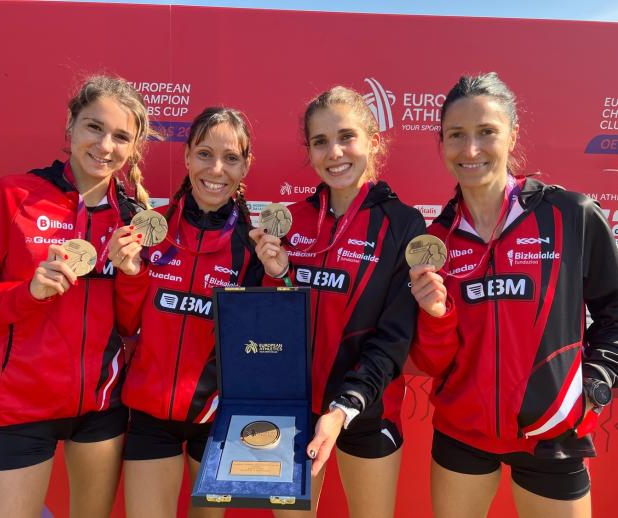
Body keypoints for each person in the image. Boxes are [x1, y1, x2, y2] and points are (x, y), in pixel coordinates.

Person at [408, 72, 618, 518]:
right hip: (462, 437)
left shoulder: (571, 215)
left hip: (554, 436)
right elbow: (431, 363)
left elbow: (615, 309)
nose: (471, 150)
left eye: (487, 132)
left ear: (513, 135)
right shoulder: (436, 241)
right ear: (441, 142)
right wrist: (435, 315)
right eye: (456, 135)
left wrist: (596, 382)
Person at [0, 75, 152, 517]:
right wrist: (29, 292)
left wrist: (132, 275)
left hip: (102, 407)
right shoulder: (14, 195)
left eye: (121, 136)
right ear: (70, 127)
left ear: (133, 148)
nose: (105, 146)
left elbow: (131, 325)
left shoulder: (135, 218)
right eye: (94, 127)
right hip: (23, 406)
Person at [249, 86, 425, 518]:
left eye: (347, 137)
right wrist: (275, 276)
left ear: (373, 141)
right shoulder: (290, 219)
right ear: (308, 151)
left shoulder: (403, 224)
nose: (335, 152)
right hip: (292, 412)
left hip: (367, 409)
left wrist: (344, 406)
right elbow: (272, 323)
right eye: (320, 141)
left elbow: (394, 338)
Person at [109, 107, 263, 518]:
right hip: (149, 417)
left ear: (246, 166)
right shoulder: (150, 231)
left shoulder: (255, 248)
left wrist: (278, 277)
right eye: (204, 154)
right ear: (187, 157)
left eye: (231, 158)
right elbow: (125, 325)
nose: (216, 169)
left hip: (215, 420)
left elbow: (263, 347)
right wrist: (130, 274)